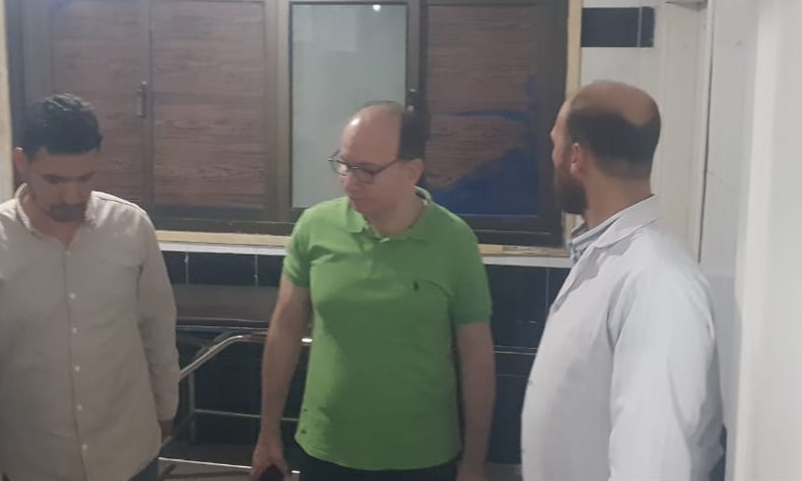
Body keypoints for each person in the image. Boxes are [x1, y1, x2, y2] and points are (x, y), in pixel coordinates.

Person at [0, 94, 179, 481]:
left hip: (128, 452)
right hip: (34, 463)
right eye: (54, 180)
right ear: (22, 163)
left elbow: (157, 326)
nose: (72, 196)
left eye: (85, 178)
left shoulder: (131, 228)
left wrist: (167, 408)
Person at [250, 102, 496, 481]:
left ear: (412, 171)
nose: (349, 182)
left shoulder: (454, 241)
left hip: (422, 455)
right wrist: (267, 432)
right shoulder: (315, 227)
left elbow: (476, 353)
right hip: (326, 448)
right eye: (344, 164)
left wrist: (475, 462)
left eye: (366, 171)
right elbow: (284, 329)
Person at [522, 81, 723, 481]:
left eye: (554, 144)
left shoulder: (658, 282)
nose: (552, 157)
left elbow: (652, 466)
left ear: (575, 157)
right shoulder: (610, 257)